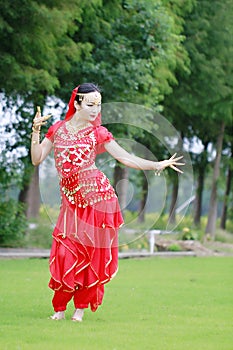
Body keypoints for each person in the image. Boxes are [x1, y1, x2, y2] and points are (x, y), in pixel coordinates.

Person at [31, 83, 184, 322]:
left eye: (99, 105)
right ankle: (59, 309)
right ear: (77, 103)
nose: (95, 109)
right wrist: (35, 132)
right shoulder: (58, 129)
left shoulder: (98, 133)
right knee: (64, 252)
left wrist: (156, 165)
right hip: (70, 201)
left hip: (98, 199)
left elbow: (124, 157)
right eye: (90, 104)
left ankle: (79, 310)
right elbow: (37, 158)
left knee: (91, 255)